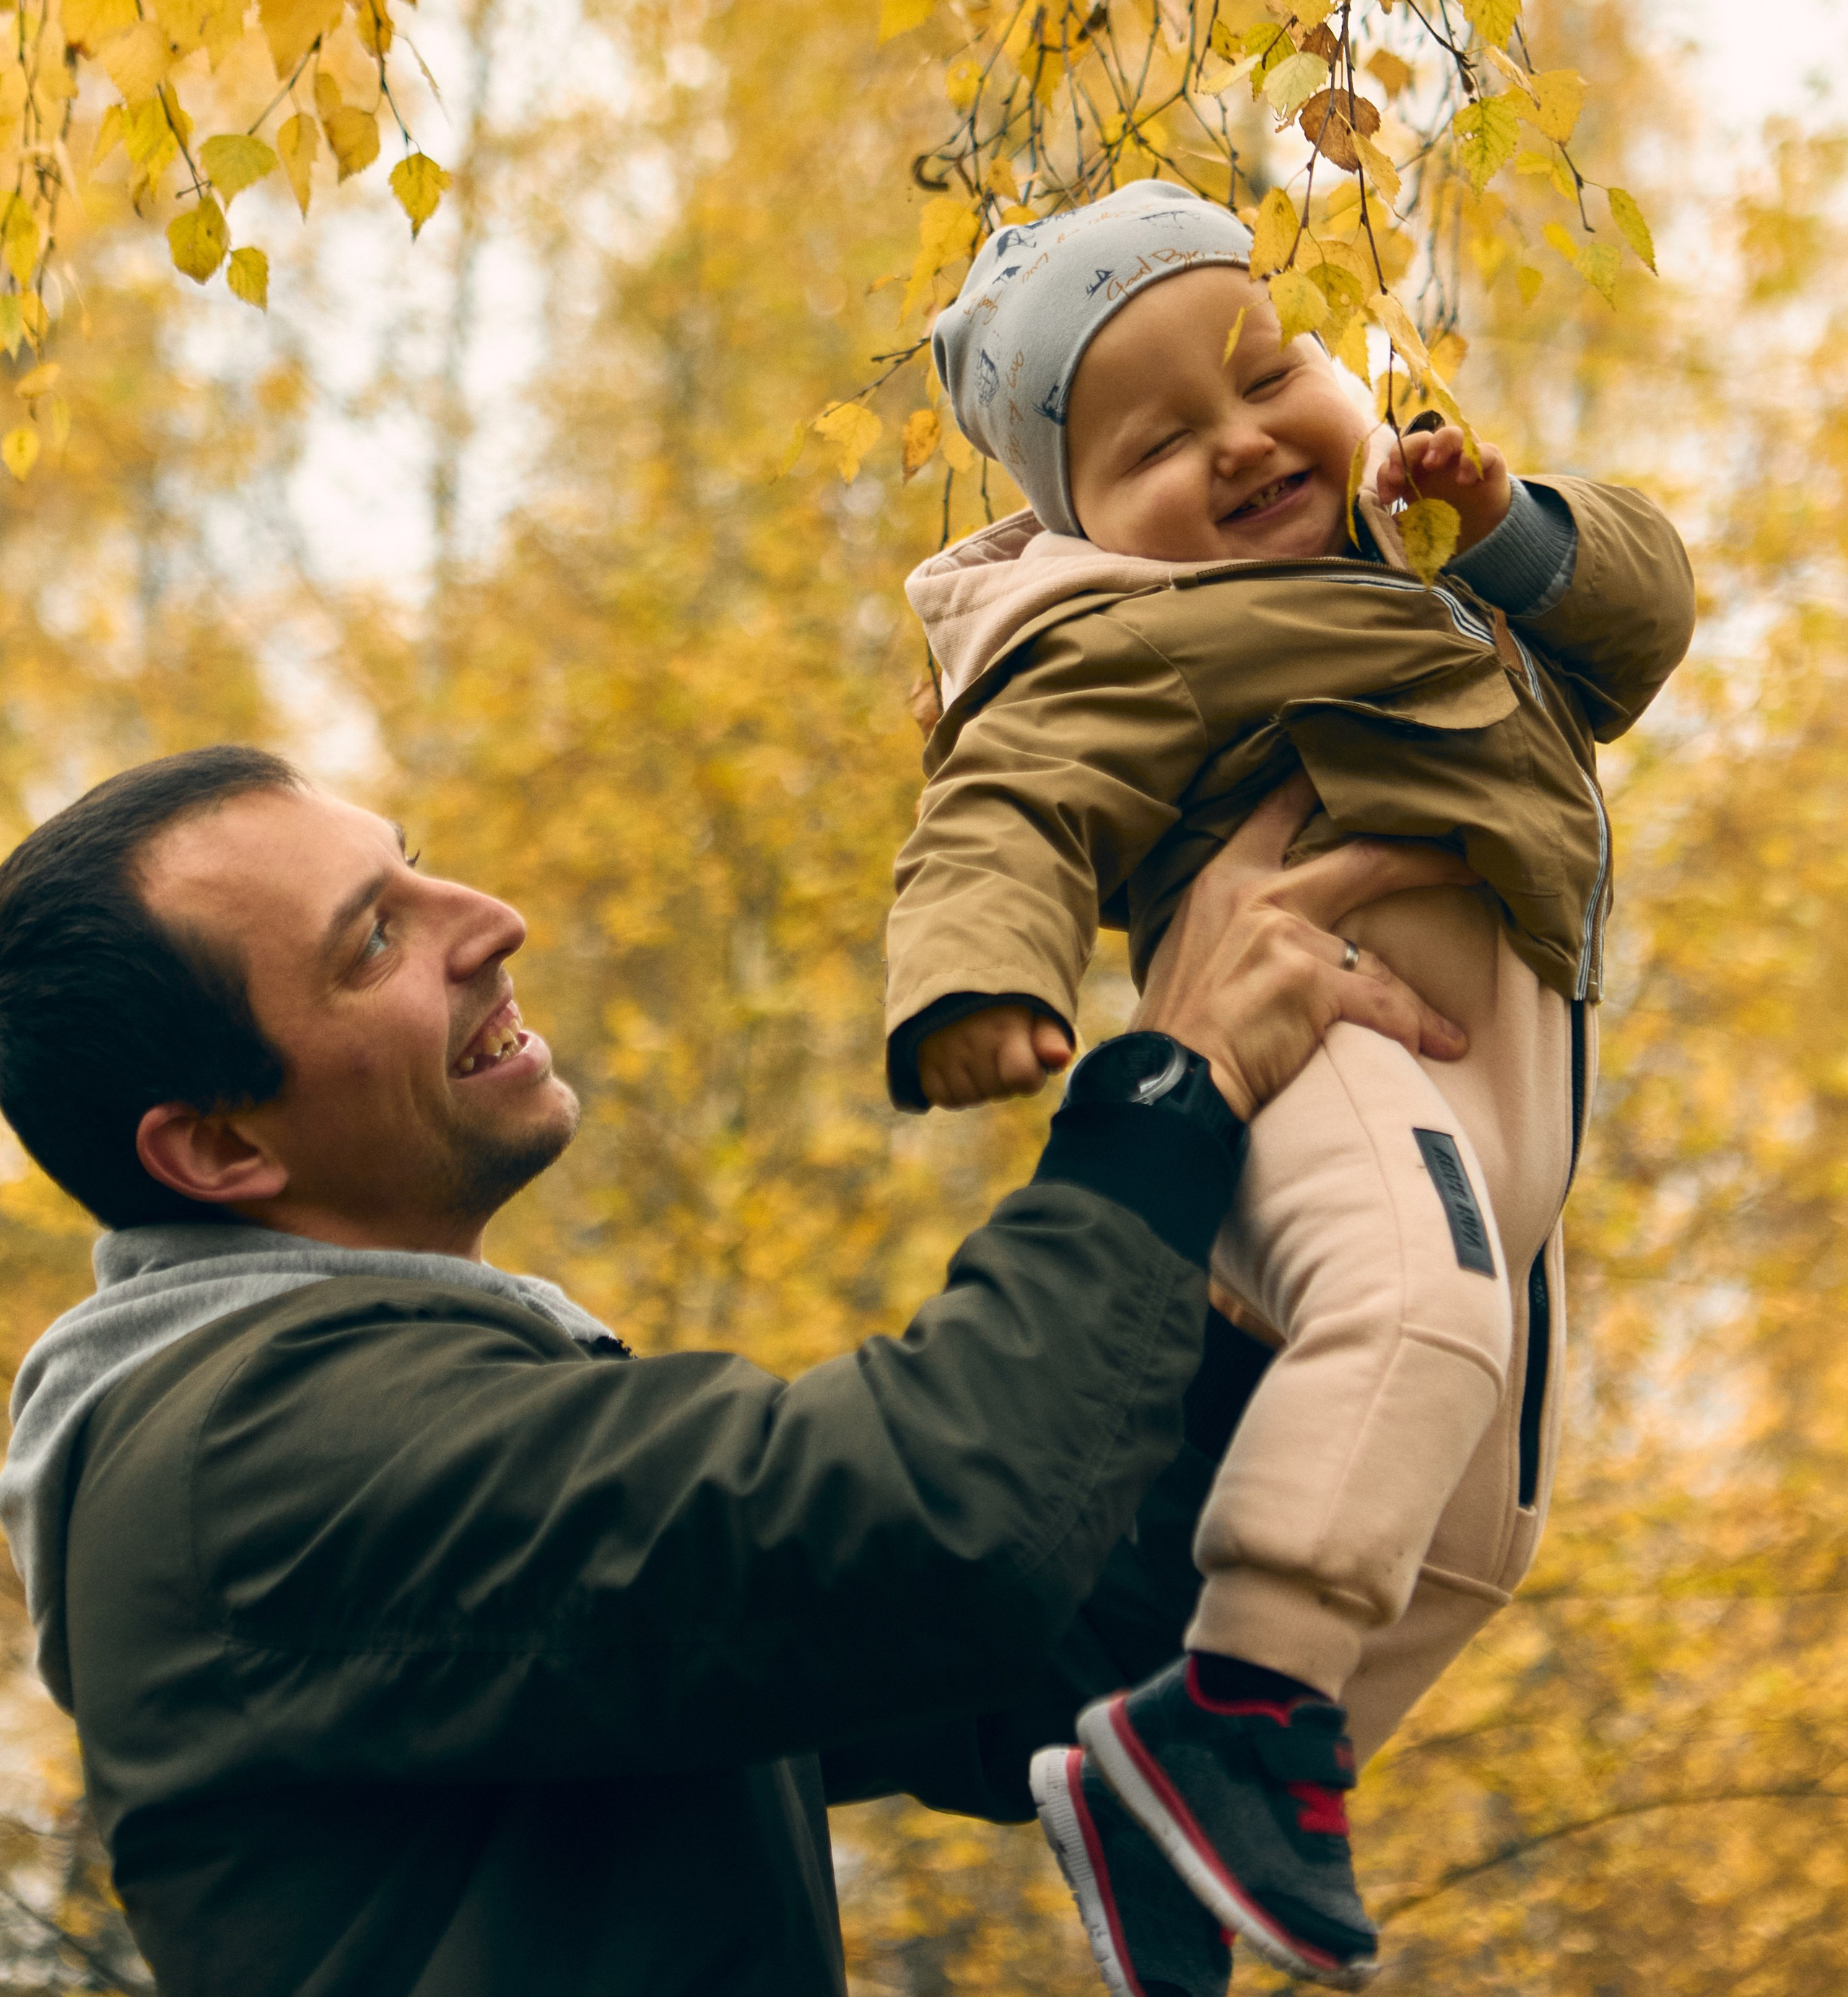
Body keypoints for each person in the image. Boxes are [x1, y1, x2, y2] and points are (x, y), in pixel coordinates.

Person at [0, 743, 1467, 1997]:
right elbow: (938, 1529)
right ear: (219, 1150)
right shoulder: (253, 1459)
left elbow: (1023, 1670)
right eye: (371, 940)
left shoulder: (338, 1426)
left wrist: (1258, 1314)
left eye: (421, 866)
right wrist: (1171, 1089)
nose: (489, 921)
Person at [889, 182, 1696, 1988]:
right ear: (1082, 518)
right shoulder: (1109, 636)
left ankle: (1178, 1794)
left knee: (1477, 1531)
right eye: (1161, 442)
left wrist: (1508, 528)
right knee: (1411, 1321)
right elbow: (1002, 811)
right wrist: (976, 984)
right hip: (1319, 1058)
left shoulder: (1435, 570)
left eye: (1270, 374)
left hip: (1498, 1108)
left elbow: (1637, 619)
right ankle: (1235, 1712)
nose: (1243, 443)